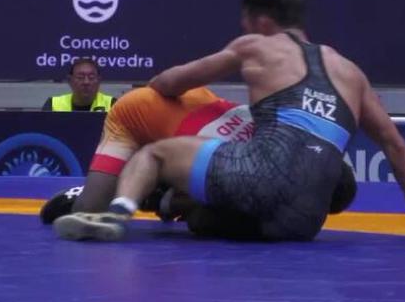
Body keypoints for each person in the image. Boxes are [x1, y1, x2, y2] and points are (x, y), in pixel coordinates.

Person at [54, 0, 405, 242]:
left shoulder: (257, 46)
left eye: (246, 24)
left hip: (257, 177)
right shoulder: (351, 73)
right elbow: (396, 147)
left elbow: (171, 83)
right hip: (304, 221)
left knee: (154, 155)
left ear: (262, 21)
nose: (245, 31)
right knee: (207, 219)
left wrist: (160, 82)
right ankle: (169, 203)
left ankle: (119, 213)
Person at [39, 85, 357, 225]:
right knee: (87, 211)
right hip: (134, 114)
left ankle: (145, 189)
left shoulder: (294, 140)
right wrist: (168, 205)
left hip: (195, 100)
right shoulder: (262, 175)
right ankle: (92, 192)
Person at [42, 58, 114, 112]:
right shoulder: (53, 105)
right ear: (70, 80)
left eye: (91, 77)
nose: (86, 82)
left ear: (99, 80)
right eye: (80, 77)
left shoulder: (112, 104)